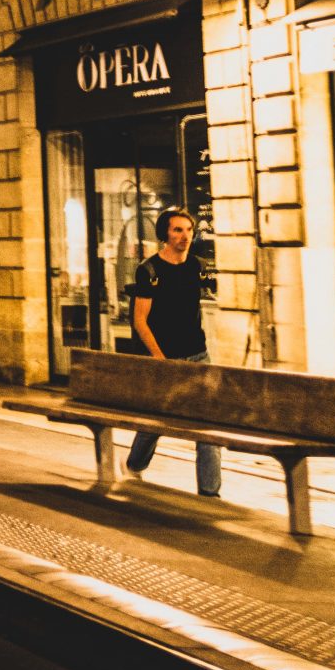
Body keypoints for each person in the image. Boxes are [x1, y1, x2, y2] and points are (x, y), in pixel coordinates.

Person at [125, 210, 221, 497]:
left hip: (198, 356)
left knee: (207, 426)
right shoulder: (150, 270)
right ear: (165, 234)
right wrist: (159, 358)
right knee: (156, 422)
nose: (185, 236)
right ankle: (133, 464)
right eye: (178, 230)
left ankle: (210, 493)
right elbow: (140, 320)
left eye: (189, 230)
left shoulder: (198, 267)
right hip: (165, 358)